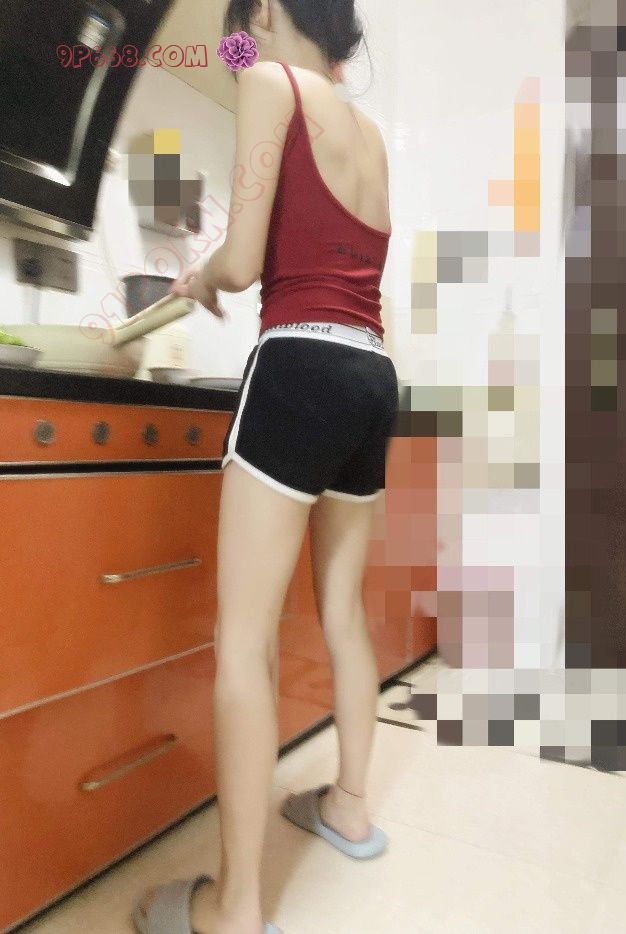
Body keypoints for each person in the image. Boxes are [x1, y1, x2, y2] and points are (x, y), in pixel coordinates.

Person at [133, 1, 398, 933]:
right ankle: (350, 809)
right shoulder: (367, 132)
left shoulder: (265, 79)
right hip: (371, 372)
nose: (234, 46)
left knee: (241, 642)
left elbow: (244, 263)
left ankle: (233, 908)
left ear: (269, 13)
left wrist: (198, 277)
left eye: (241, 26)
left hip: (300, 366)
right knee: (341, 612)